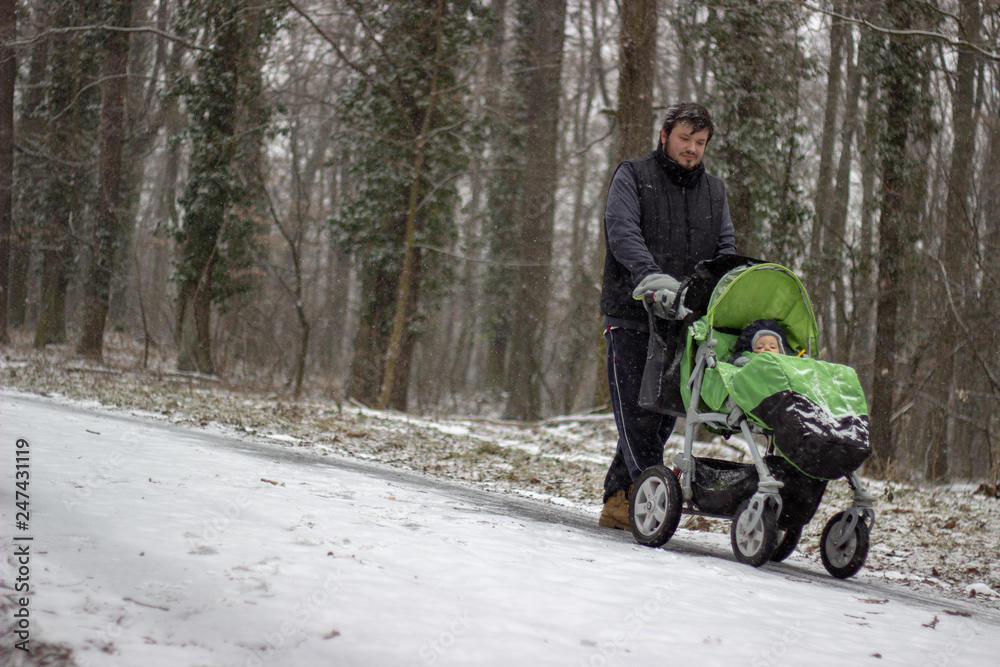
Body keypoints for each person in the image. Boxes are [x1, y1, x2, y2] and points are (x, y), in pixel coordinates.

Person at [599, 102, 736, 529]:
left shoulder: (715, 191)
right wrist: (651, 277)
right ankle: (651, 498)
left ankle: (620, 500)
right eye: (684, 139)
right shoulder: (634, 175)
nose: (691, 149)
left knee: (661, 415)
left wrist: (724, 290)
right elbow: (621, 229)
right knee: (635, 411)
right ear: (664, 135)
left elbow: (725, 248)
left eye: (700, 143)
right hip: (634, 310)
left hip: (686, 321)